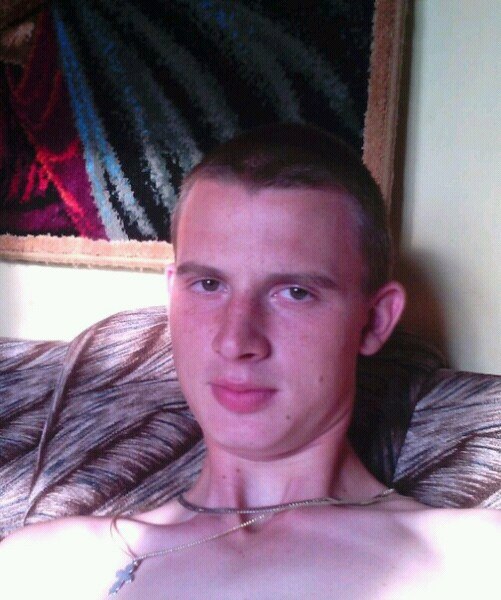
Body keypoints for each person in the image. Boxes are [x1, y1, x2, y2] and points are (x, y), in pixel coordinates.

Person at [1, 123, 499, 599]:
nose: (236, 340)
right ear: (172, 297)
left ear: (374, 321)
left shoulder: (471, 561)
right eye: (209, 284)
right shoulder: (45, 567)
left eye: (295, 292)